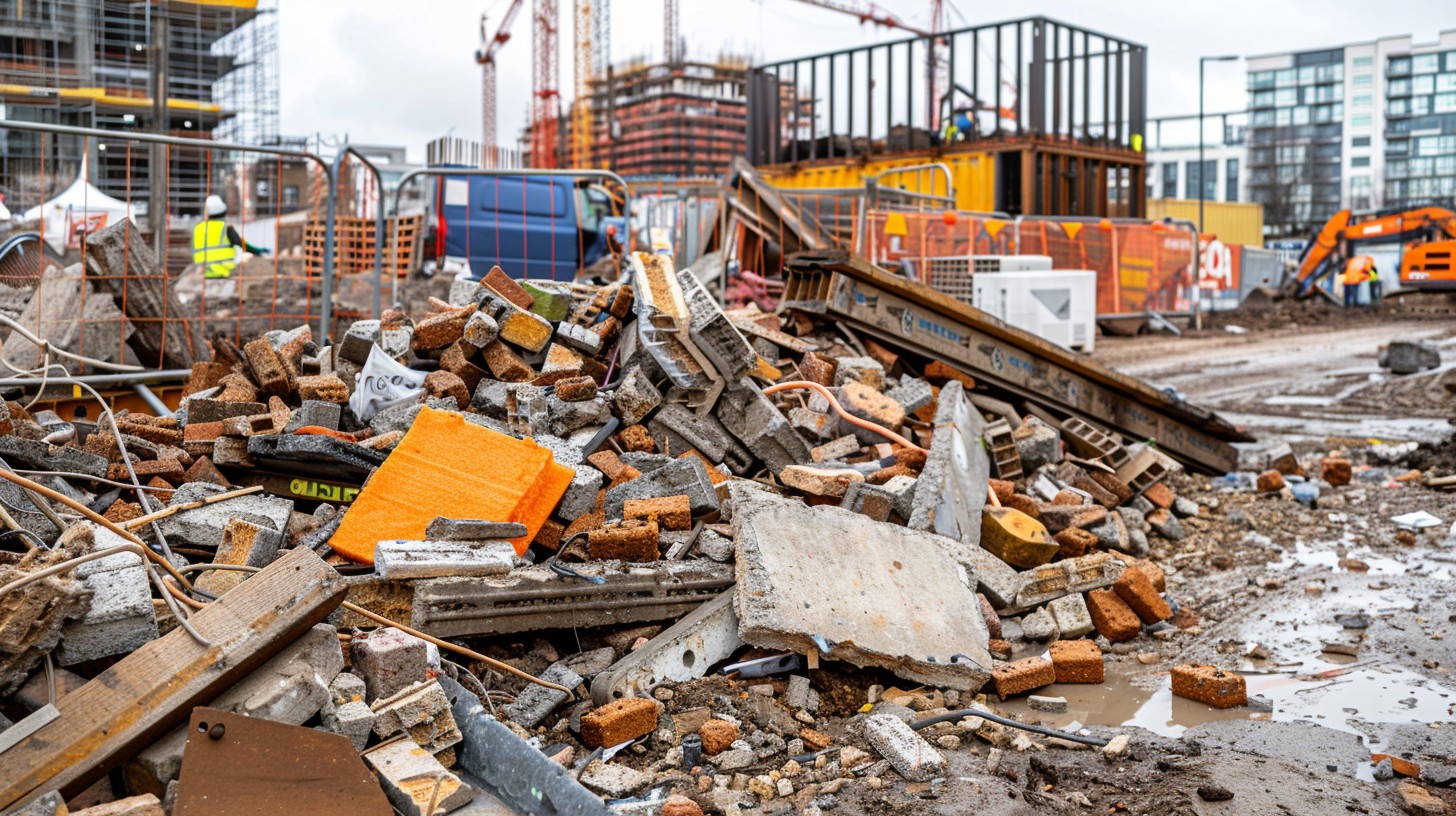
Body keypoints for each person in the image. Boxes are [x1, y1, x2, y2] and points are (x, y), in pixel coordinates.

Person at [192, 195, 267, 279]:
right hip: (223, 271)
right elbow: (242, 245)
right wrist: (257, 251)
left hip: (202, 271)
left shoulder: (197, 229)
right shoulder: (225, 228)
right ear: (223, 212)